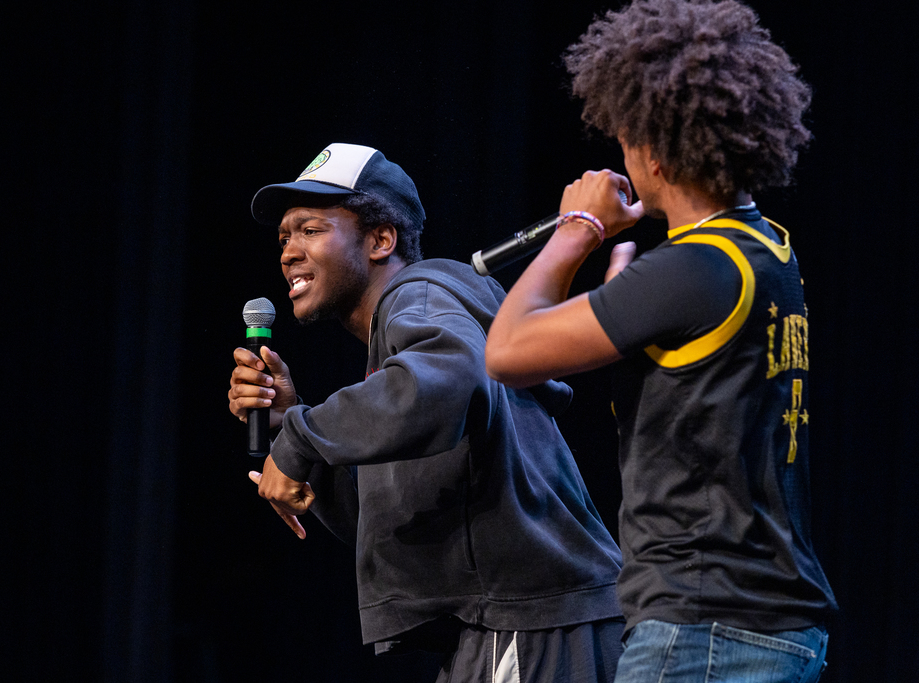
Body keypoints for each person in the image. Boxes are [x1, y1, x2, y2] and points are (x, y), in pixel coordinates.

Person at [484, 1, 838, 681]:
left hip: (706, 631)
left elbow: (507, 350)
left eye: (623, 139)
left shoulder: (692, 268)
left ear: (655, 149)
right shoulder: (764, 250)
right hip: (763, 625)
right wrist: (626, 287)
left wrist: (578, 229)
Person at [229, 142, 626, 682]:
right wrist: (292, 425)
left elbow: (453, 380)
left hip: (529, 620)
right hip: (503, 625)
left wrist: (302, 437)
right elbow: (396, 521)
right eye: (283, 237)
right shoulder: (396, 360)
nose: (288, 251)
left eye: (311, 230)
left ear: (380, 240)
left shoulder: (419, 295)